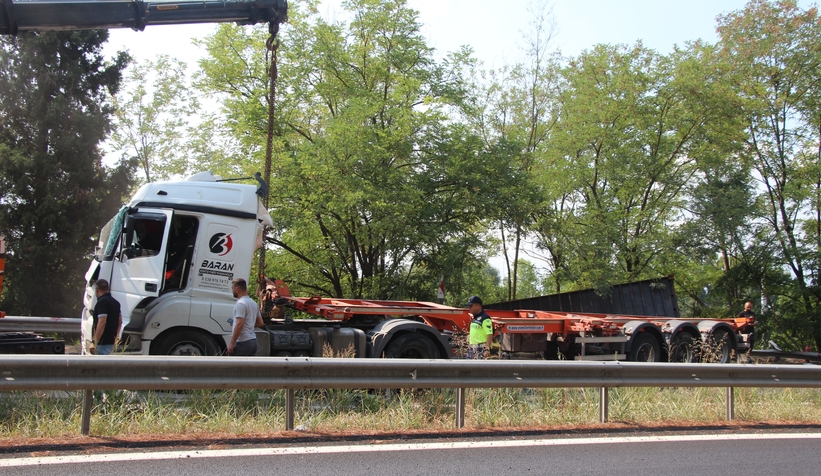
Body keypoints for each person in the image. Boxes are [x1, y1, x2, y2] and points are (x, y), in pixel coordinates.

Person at [228, 277, 264, 356]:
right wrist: (247, 324)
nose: (232, 291)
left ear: (237, 289)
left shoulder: (241, 303)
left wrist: (232, 343)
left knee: (234, 364)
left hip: (242, 342)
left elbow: (239, 324)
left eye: (232, 288)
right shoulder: (253, 303)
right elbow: (260, 323)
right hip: (253, 341)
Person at [91, 279, 122, 355]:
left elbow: (102, 322)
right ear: (107, 289)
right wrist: (116, 339)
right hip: (111, 342)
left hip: (102, 343)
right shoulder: (116, 303)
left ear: (97, 289)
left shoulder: (102, 303)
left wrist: (95, 342)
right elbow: (120, 322)